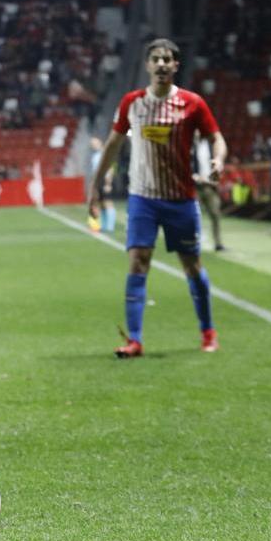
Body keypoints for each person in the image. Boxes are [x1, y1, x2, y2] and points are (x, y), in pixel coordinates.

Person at [88, 38, 227, 358]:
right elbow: (112, 144)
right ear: (148, 65)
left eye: (168, 59)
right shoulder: (132, 103)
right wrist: (95, 185)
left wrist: (218, 160)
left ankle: (208, 331)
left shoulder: (193, 103)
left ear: (176, 65)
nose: (162, 64)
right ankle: (134, 340)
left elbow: (215, 138)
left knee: (192, 266)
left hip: (181, 199)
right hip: (143, 199)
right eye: (156, 59)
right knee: (138, 261)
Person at [193, 135, 224, 250]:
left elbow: (216, 164)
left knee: (215, 213)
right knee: (193, 215)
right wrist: (194, 176)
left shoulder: (211, 145)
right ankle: (192, 242)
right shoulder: (190, 145)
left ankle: (218, 243)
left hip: (209, 186)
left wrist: (215, 177)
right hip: (194, 186)